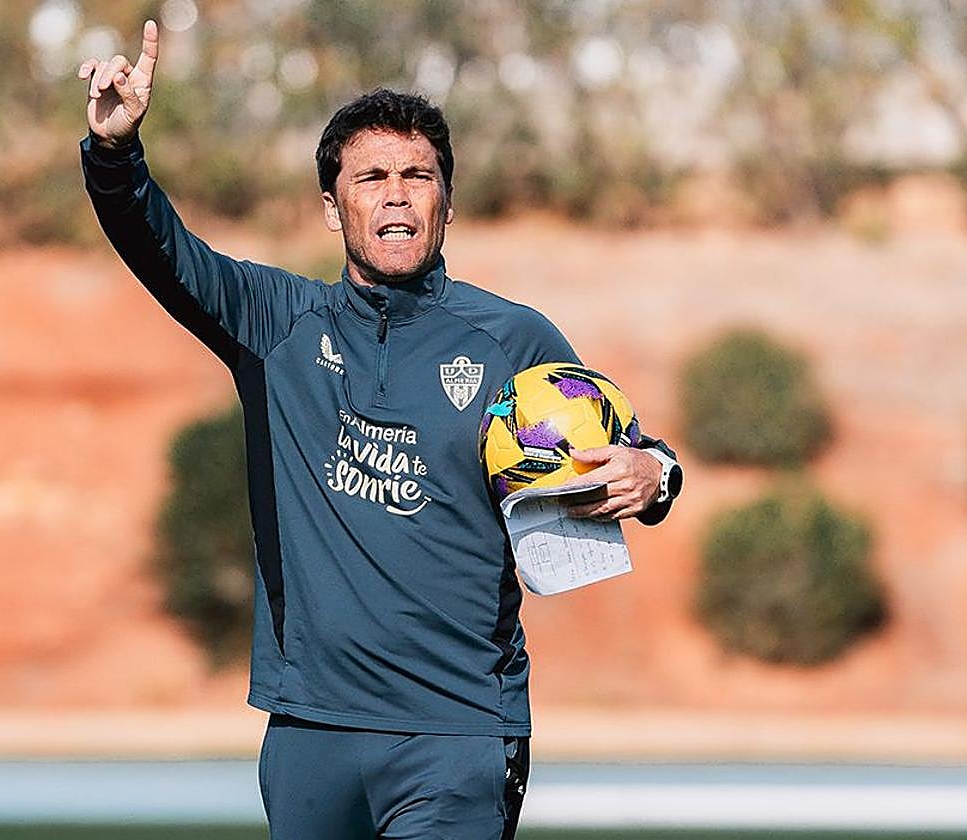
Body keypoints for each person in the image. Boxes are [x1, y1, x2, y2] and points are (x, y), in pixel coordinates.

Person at [79, 20, 681, 840]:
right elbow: (162, 251)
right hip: (310, 733)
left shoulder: (512, 342)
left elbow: (628, 451)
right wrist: (115, 156)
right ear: (334, 207)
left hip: (458, 733)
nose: (395, 193)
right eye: (370, 178)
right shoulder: (275, 323)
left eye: (416, 175)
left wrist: (656, 477)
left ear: (448, 201)